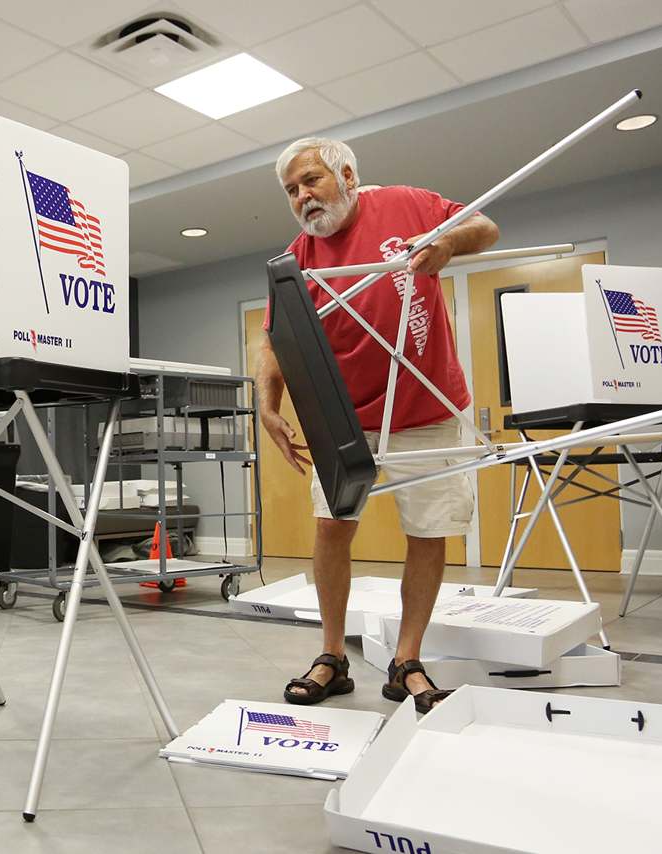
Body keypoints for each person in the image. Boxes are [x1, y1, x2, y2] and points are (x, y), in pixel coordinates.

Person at [257, 137, 498, 711]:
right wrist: (268, 404)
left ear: (346, 174)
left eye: (311, 180)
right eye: (291, 190)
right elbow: (275, 338)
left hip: (429, 410)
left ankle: (406, 659)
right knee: (331, 528)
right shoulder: (297, 260)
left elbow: (485, 228)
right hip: (343, 416)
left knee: (428, 530)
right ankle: (333, 657)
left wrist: (446, 243)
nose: (302, 197)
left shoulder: (406, 204)